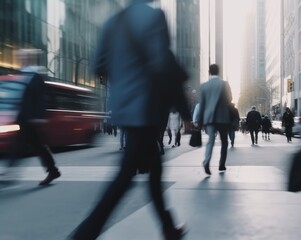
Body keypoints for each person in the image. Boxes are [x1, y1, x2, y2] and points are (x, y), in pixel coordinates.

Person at [68, 1, 191, 239]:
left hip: (124, 107)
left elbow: (98, 66)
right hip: (146, 108)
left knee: (154, 168)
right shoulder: (155, 17)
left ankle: (167, 226)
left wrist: (123, 78)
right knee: (125, 177)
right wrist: (185, 113)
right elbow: (164, 65)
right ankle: (84, 234)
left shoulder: (112, 23)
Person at [1, 48, 61, 187]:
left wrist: (39, 116)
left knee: (19, 145)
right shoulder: (21, 74)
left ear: (29, 58)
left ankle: (9, 174)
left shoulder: (35, 76)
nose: (21, 59)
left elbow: (41, 98)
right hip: (24, 117)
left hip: (31, 119)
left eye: (23, 57)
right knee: (38, 146)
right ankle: (53, 170)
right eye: (20, 57)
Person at [195, 64, 232, 175]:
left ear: (209, 72)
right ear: (218, 71)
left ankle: (206, 161)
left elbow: (202, 105)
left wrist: (200, 122)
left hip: (209, 118)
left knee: (210, 140)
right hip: (222, 117)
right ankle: (221, 164)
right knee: (224, 142)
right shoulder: (224, 84)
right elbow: (230, 99)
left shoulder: (204, 86)